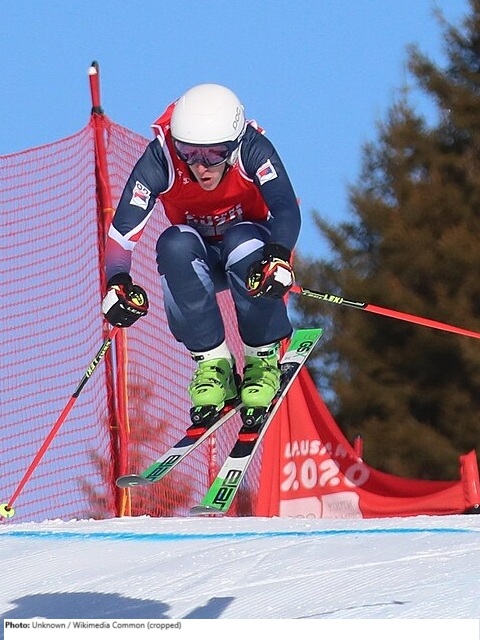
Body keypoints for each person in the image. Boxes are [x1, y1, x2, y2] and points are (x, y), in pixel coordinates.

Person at [101, 83, 301, 421]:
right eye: (189, 152)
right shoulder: (162, 158)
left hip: (251, 258)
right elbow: (123, 230)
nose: (200, 166)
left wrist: (279, 255)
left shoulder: (252, 148)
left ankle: (262, 358)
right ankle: (213, 364)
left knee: (241, 238)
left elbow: (285, 206)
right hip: (201, 260)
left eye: (213, 154)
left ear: (233, 145)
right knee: (174, 243)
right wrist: (117, 282)